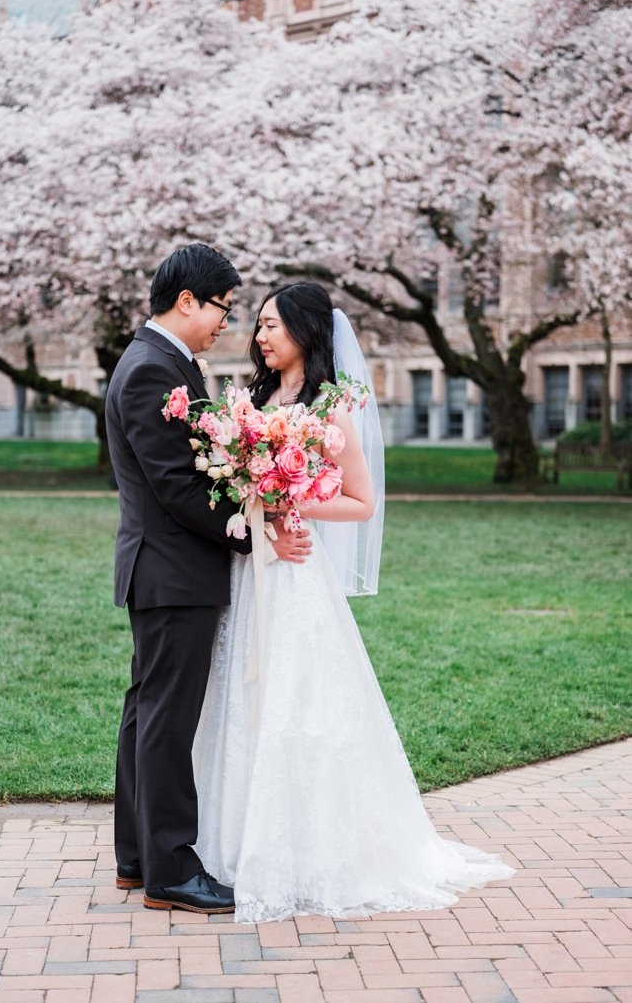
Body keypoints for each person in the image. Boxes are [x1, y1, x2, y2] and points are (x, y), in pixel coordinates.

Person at [192, 282, 513, 922]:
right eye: (257, 325)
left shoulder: (334, 407)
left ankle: (315, 850)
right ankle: (228, 845)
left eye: (271, 326)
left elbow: (360, 502)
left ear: (307, 333)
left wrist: (289, 506)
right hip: (253, 571)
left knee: (299, 703)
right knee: (239, 700)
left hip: (297, 579)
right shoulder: (252, 401)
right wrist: (255, 506)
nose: (260, 337)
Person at [103, 244, 311, 915]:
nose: (228, 322)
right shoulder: (151, 371)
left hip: (165, 572)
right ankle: (170, 870)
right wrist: (256, 529)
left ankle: (138, 858)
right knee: (166, 722)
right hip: (173, 573)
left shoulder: (166, 363)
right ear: (187, 301)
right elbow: (178, 489)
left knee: (147, 715)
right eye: (223, 307)